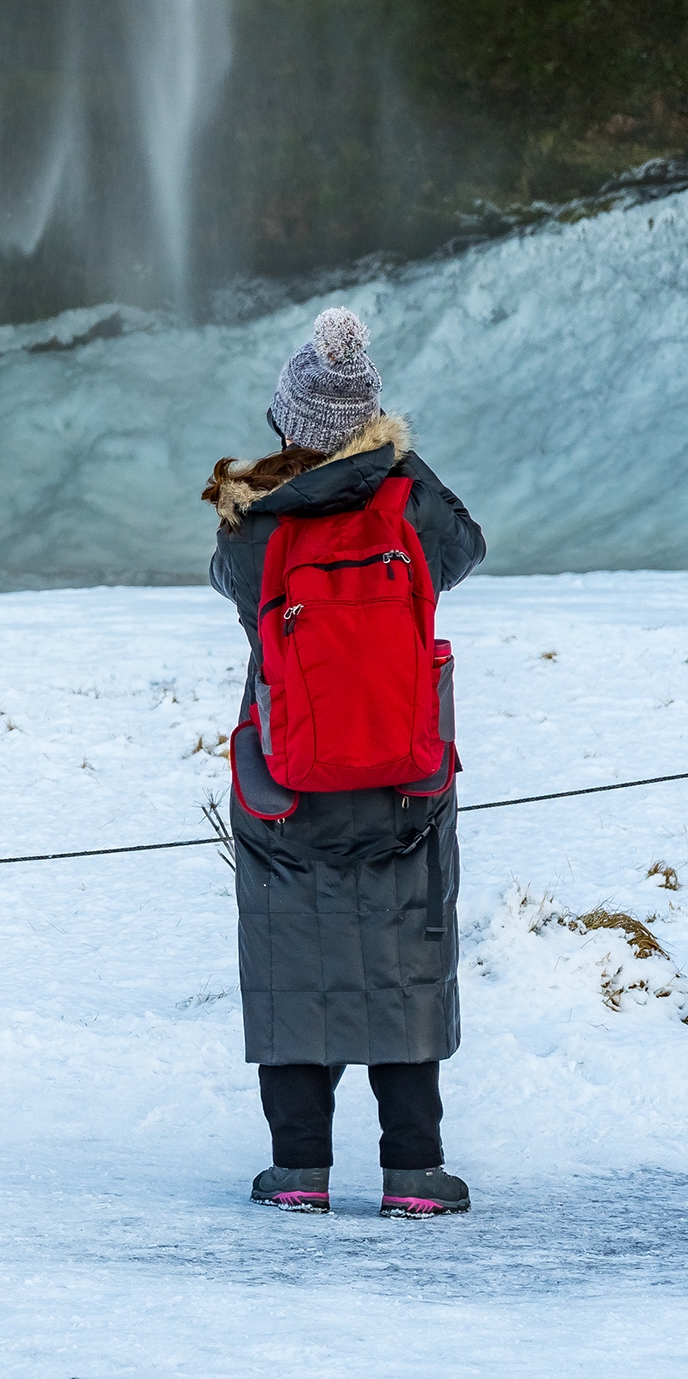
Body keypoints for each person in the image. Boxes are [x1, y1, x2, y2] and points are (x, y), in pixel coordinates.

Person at [204, 307, 486, 1217]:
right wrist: (396, 460)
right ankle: (413, 1176)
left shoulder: (254, 523)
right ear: (372, 422)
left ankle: (298, 1174)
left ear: (289, 423)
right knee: (403, 962)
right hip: (403, 777)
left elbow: (230, 584)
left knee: (295, 964)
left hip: (286, 776)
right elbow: (467, 546)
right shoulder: (409, 504)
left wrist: (265, 482)